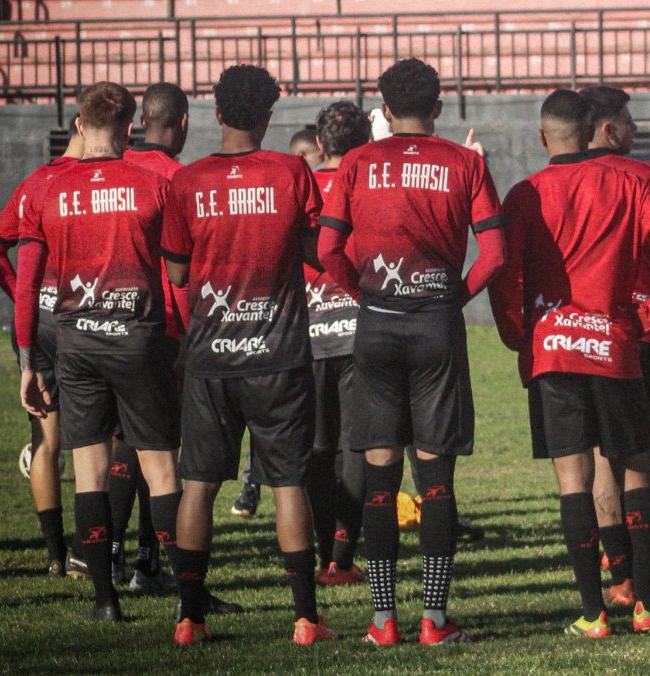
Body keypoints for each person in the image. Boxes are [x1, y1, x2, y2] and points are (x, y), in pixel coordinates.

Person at [489, 89, 650, 638]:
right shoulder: (630, 181)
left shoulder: (525, 194)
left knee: (573, 482)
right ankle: (647, 606)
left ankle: (592, 614)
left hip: (553, 348)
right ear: (591, 131)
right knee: (632, 473)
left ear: (543, 137)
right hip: (615, 343)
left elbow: (504, 272)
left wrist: (518, 335)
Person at [317, 58, 505, 646]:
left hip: (375, 328)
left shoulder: (356, 162)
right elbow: (495, 256)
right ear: (440, 108)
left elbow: (326, 250)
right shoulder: (464, 164)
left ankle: (382, 622)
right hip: (436, 332)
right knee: (436, 479)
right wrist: (451, 299)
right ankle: (434, 619)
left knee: (379, 476)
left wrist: (365, 296)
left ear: (384, 109)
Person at [162, 64, 332, 645]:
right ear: (268, 115)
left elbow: (178, 271)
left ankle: (189, 618)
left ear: (215, 112)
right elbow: (316, 252)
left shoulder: (186, 182)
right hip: (279, 355)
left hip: (211, 358)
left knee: (199, 486)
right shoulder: (289, 171)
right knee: (289, 485)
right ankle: (306, 619)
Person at [16, 82, 183, 622]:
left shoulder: (48, 190)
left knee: (88, 469)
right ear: (130, 128)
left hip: (75, 343)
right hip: (138, 339)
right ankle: (187, 597)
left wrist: (26, 360)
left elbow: (26, 284)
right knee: (160, 470)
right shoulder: (153, 183)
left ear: (80, 126)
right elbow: (180, 267)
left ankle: (105, 603)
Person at [578, 84, 650, 605]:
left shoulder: (552, 181)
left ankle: (621, 575)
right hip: (639, 333)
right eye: (627, 120)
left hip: (578, 338)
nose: (634, 129)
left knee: (604, 456)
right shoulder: (645, 177)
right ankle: (637, 577)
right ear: (608, 129)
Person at [0, 117, 81, 578]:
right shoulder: (96, 183)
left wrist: (23, 293)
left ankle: (54, 555)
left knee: (45, 442)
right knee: (93, 440)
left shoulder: (34, 182)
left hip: (36, 322)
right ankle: (95, 547)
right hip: (81, 321)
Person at [110, 81, 192, 594]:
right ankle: (148, 563)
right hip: (168, 330)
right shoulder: (178, 179)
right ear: (181, 122)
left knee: (123, 442)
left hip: (112, 323)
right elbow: (185, 269)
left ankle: (113, 558)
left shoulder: (116, 171)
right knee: (160, 450)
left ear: (141, 122)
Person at [305, 100, 371, 585]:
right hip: (358, 331)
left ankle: (321, 550)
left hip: (304, 336)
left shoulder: (299, 186)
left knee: (316, 449)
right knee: (355, 448)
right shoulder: (369, 188)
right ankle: (342, 559)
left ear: (320, 143)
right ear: (365, 143)